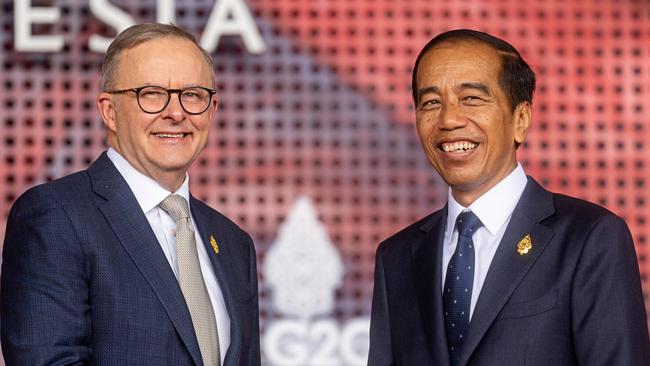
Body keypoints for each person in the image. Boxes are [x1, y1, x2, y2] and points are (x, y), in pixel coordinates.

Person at [368, 29, 650, 366]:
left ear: (521, 119)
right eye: (431, 102)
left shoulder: (590, 237)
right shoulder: (396, 257)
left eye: (471, 98)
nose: (449, 119)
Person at [1, 23, 260, 365]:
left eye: (193, 94)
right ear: (109, 110)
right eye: (151, 93)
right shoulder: (56, 216)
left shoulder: (233, 243)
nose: (176, 112)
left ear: (212, 111)